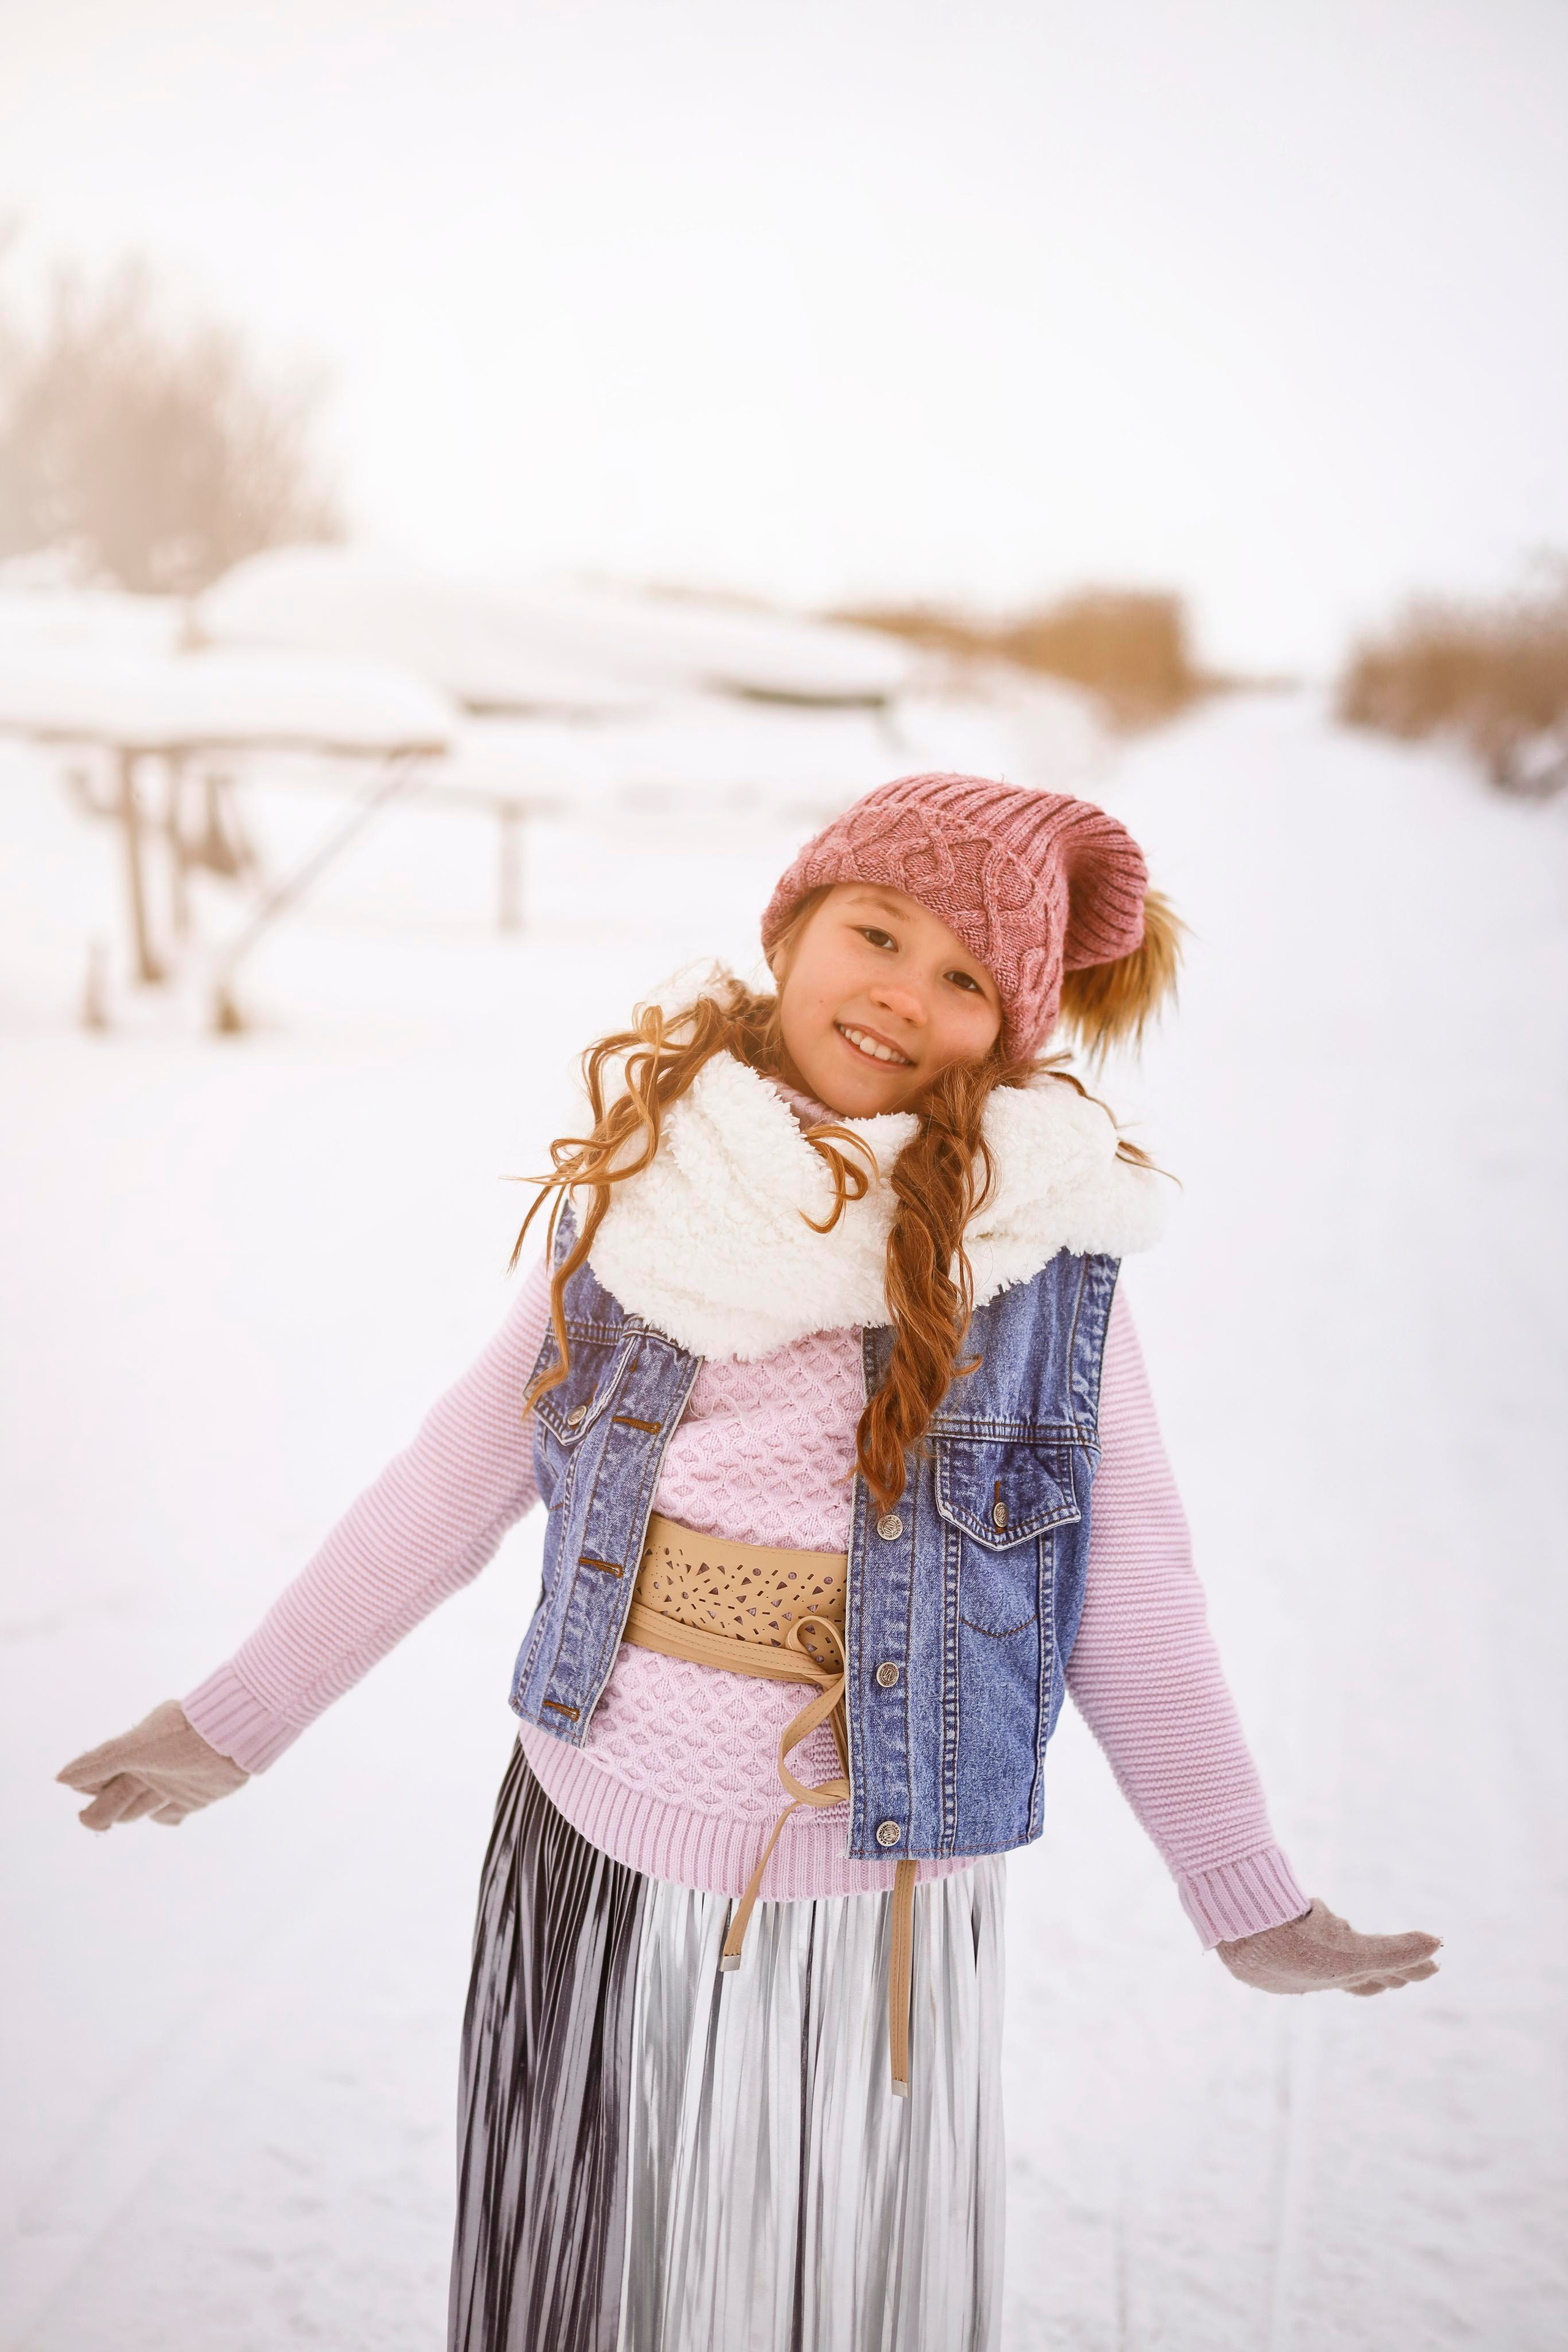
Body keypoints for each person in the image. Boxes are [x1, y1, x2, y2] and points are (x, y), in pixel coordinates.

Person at [58, 772, 1441, 2351]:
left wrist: (1239, 1891)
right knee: (596, 2281)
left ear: (1015, 1032)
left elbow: (1130, 1592)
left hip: (878, 1885)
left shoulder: (1040, 1262)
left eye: (967, 978)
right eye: (878, 933)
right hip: (596, 1848)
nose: (903, 996)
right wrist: (236, 1719)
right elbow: (449, 1479)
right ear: (792, 930)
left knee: (823, 2293)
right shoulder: (657, 1202)